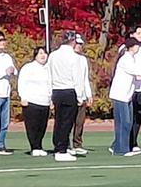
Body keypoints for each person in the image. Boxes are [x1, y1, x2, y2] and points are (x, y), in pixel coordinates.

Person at [48, 31, 88, 162]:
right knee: (67, 122)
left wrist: (50, 94)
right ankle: (62, 149)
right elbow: (76, 78)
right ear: (73, 42)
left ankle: (58, 146)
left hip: (56, 90)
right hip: (69, 90)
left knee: (59, 121)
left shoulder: (53, 55)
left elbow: (49, 75)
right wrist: (80, 96)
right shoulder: (73, 56)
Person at [109, 37, 141, 157]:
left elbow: (138, 76)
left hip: (126, 95)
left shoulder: (131, 59)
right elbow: (137, 72)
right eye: (137, 45)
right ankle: (122, 149)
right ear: (132, 47)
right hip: (120, 95)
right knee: (125, 122)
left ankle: (119, 147)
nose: (139, 47)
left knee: (124, 122)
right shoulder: (126, 59)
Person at [18, 46, 53, 156]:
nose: (43, 56)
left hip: (45, 101)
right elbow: (22, 82)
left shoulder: (49, 68)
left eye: (44, 53)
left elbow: (51, 85)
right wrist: (23, 97)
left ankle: (39, 145)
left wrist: (51, 99)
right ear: (35, 56)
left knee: (42, 126)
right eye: (40, 53)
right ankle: (34, 147)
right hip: (31, 101)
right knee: (32, 126)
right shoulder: (28, 68)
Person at [71, 34, 94, 156]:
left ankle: (77, 144)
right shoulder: (68, 58)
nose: (79, 46)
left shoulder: (83, 59)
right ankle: (63, 145)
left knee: (79, 122)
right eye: (77, 43)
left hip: (82, 94)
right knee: (67, 121)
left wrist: (88, 94)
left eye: (80, 44)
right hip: (70, 94)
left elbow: (85, 78)